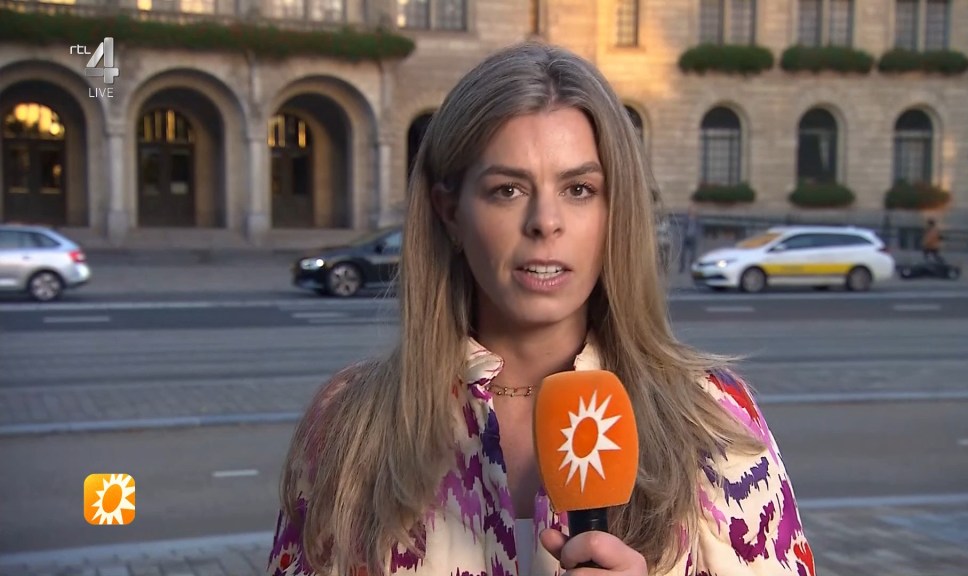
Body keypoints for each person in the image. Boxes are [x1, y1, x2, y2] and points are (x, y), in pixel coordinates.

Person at [267, 42, 815, 576]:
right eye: (508, 190)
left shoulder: (709, 418)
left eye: (579, 189)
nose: (545, 222)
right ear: (450, 212)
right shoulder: (350, 426)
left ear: (615, 209)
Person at [678, 204, 701, 272]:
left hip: (693, 237)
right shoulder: (686, 218)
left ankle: (691, 267)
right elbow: (683, 226)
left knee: (693, 254)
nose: (692, 211)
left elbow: (699, 228)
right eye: (691, 209)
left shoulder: (697, 219)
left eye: (694, 210)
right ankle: (682, 267)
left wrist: (697, 235)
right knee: (683, 253)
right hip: (686, 237)